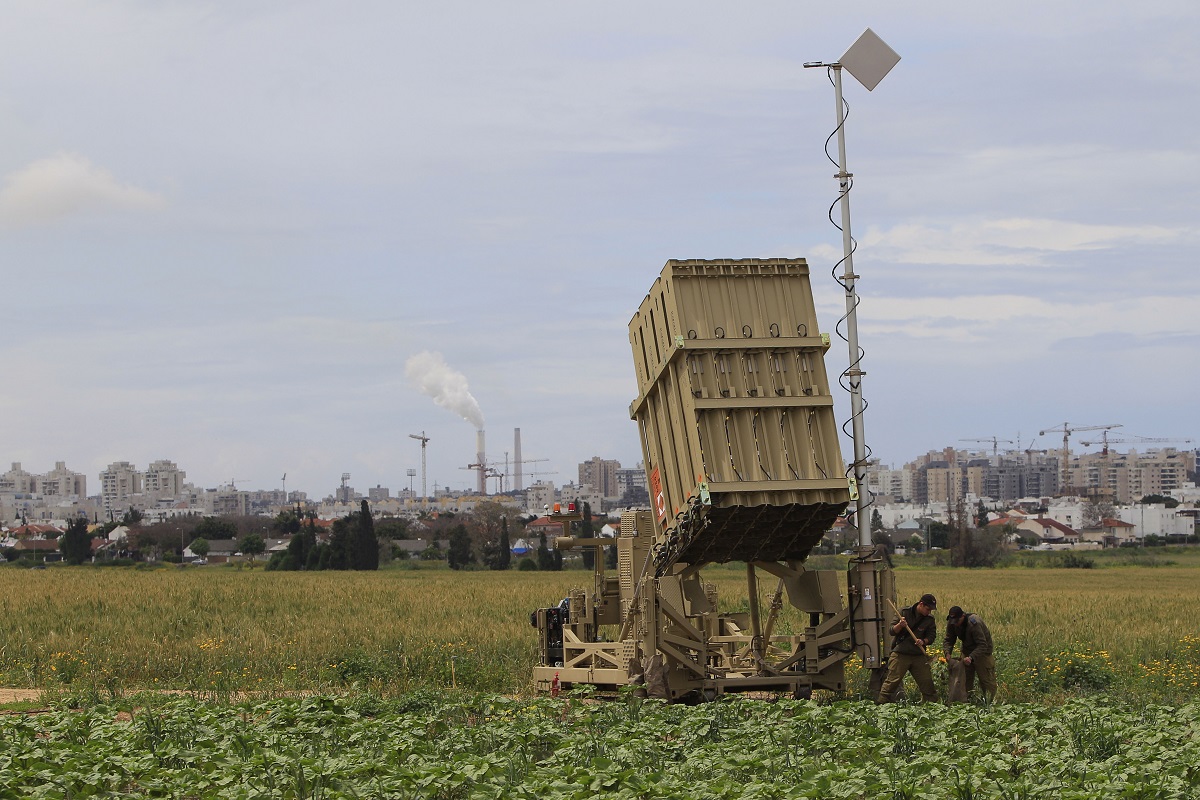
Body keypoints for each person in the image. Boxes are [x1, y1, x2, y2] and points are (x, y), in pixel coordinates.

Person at [876, 593, 939, 703]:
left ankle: (932, 708)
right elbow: (891, 631)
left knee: (927, 684)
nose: (929, 612)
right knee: (891, 682)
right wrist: (900, 625)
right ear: (921, 604)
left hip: (918, 655)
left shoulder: (929, 619)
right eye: (928, 609)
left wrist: (923, 641)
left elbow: (932, 636)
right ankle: (881, 705)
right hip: (901, 653)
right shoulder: (904, 612)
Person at [942, 606, 996, 702]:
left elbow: (983, 645)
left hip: (983, 653)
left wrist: (971, 657)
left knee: (987, 681)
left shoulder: (974, 623)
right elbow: (949, 639)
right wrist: (947, 653)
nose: (956, 624)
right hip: (967, 651)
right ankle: (965, 703)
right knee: (964, 680)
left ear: (963, 616)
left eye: (957, 621)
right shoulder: (952, 623)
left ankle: (990, 703)